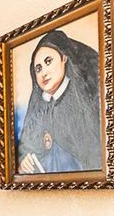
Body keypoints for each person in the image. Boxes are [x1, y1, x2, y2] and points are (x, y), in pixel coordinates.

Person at [17, 29, 101, 174]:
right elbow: (27, 149)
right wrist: (24, 161)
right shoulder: (39, 109)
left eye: (48, 61)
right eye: (38, 69)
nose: (43, 73)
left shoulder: (83, 100)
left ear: (64, 58)